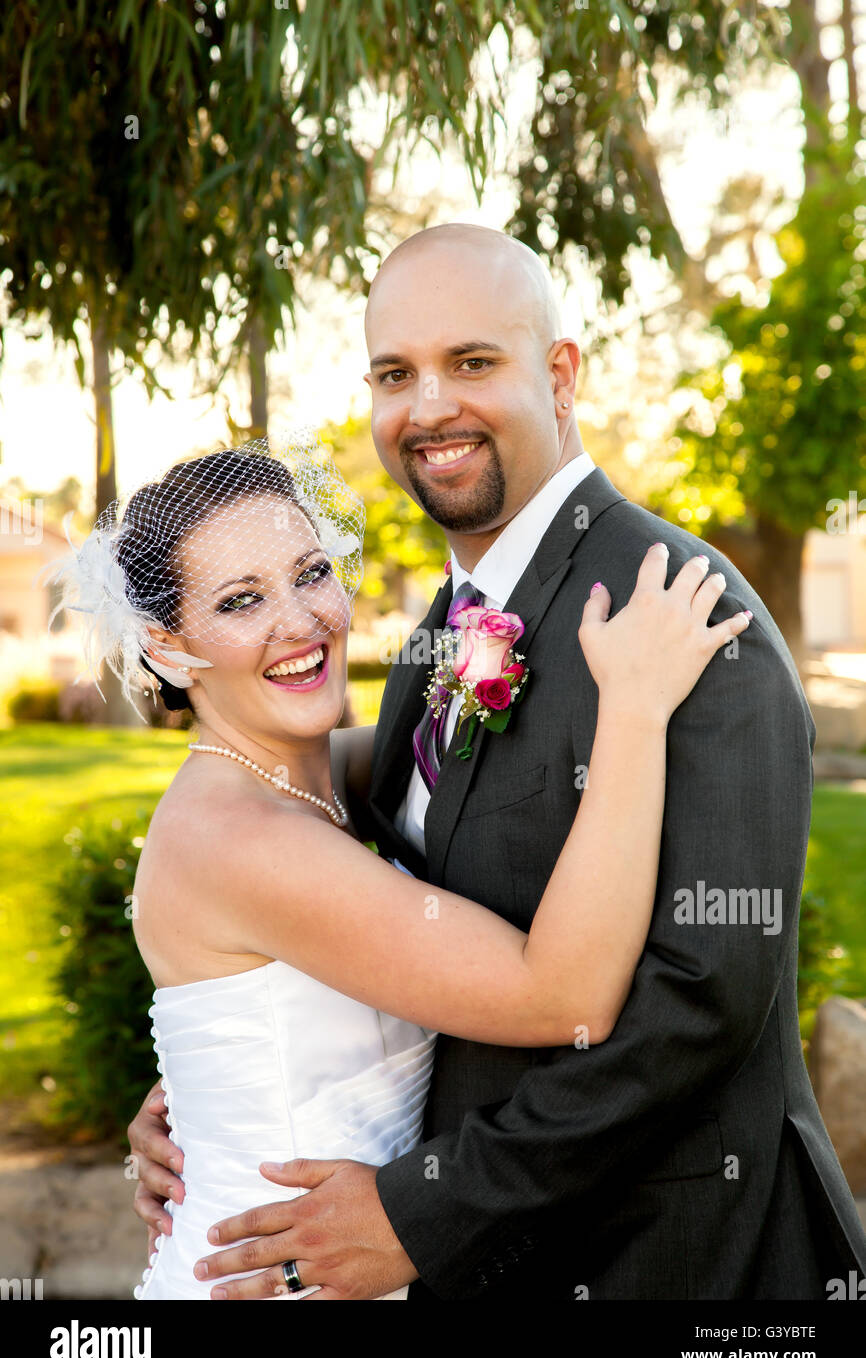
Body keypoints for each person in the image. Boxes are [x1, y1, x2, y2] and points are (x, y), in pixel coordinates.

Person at [129, 226, 866, 1301]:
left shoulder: (682, 618)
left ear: (558, 375)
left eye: (472, 362)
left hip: (675, 1266)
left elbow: (701, 1003)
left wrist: (427, 1208)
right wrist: (212, 1087)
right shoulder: (442, 636)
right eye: (395, 373)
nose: (428, 408)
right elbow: (337, 902)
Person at [53, 433, 744, 1300]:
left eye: (310, 573)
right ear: (168, 644)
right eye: (240, 601)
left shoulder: (315, 777)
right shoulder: (239, 839)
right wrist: (635, 711)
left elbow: (447, 759)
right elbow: (563, 996)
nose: (300, 623)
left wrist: (193, 1092)